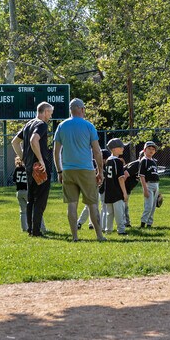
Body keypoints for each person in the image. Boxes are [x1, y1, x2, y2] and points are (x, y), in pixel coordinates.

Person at [53, 98, 106, 242]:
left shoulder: (61, 126)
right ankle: (99, 236)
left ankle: (75, 237)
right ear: (82, 109)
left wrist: (59, 171)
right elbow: (97, 151)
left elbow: (56, 151)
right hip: (86, 170)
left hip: (68, 170)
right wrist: (100, 171)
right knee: (92, 203)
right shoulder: (89, 126)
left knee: (72, 204)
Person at [11, 102, 54, 237]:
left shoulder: (28, 124)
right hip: (39, 167)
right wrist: (41, 160)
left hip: (29, 167)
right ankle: (36, 231)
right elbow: (33, 140)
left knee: (31, 200)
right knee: (40, 200)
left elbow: (14, 142)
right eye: (50, 113)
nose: (50, 116)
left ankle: (31, 229)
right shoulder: (41, 125)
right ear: (45, 112)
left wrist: (24, 157)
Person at [76, 148, 111, 230]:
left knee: (95, 206)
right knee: (90, 206)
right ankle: (79, 222)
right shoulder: (93, 164)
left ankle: (92, 224)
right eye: (106, 159)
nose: (106, 161)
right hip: (91, 187)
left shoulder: (105, 165)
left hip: (100, 188)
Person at [103, 138, 128, 235]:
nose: (123, 148)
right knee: (119, 213)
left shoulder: (108, 160)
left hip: (108, 191)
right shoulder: (117, 161)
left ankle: (108, 230)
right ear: (113, 149)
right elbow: (121, 178)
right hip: (117, 191)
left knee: (110, 213)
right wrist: (124, 193)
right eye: (120, 147)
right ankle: (121, 231)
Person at [139, 141, 160, 228]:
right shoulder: (144, 161)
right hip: (148, 185)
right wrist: (145, 189)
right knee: (148, 206)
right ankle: (143, 223)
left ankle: (149, 224)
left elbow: (156, 175)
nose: (151, 151)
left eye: (153, 149)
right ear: (144, 150)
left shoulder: (154, 161)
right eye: (149, 149)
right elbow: (141, 176)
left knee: (154, 206)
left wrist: (159, 191)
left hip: (156, 185)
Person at [123, 151, 142, 227]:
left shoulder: (142, 165)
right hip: (123, 187)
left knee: (124, 206)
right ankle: (126, 223)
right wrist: (121, 189)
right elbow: (125, 174)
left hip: (127, 188)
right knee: (123, 206)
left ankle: (126, 223)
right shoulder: (138, 164)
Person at [11, 157, 28, 232]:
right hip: (27, 191)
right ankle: (41, 227)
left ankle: (24, 228)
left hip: (19, 191)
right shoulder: (27, 168)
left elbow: (14, 180)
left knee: (22, 211)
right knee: (34, 209)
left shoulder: (17, 169)